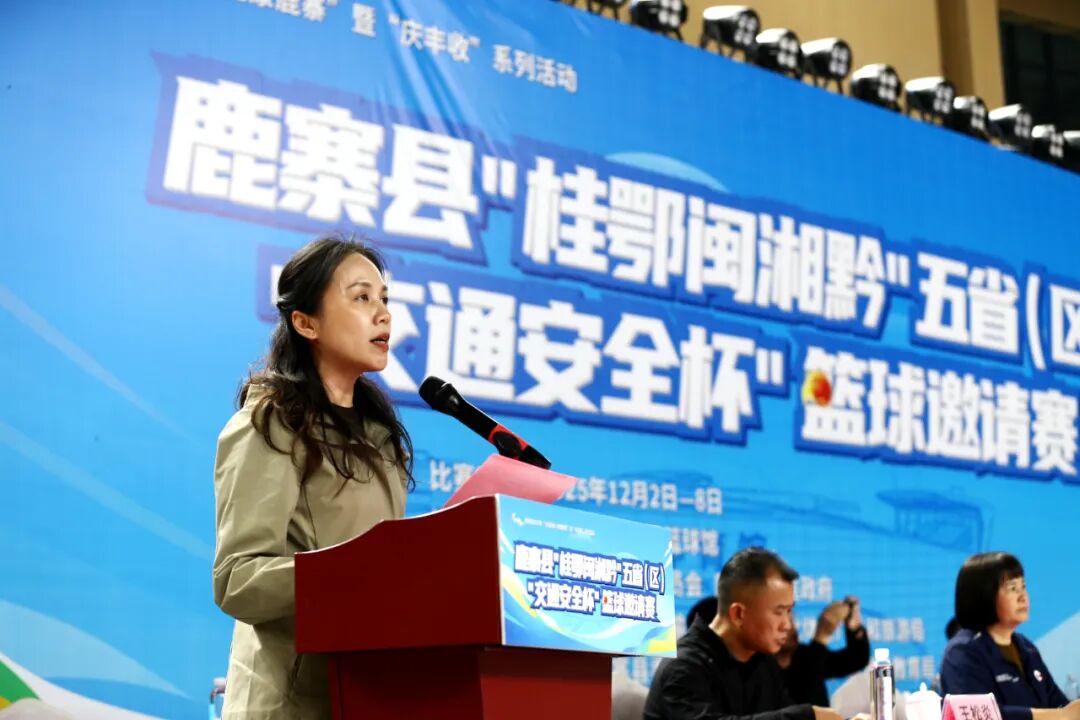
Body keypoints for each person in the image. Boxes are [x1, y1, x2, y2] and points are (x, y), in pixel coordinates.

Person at [212, 236, 414, 719]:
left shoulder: (379, 435)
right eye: (361, 297)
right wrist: (348, 574)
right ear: (306, 323)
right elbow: (237, 579)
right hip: (288, 704)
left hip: (364, 694)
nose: (383, 314)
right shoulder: (271, 424)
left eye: (384, 299)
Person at [644, 547, 844, 720]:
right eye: (779, 612)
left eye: (789, 611)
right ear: (738, 614)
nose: (786, 625)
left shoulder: (763, 662)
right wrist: (805, 716)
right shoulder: (684, 666)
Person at [941, 552, 1080, 720]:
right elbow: (976, 714)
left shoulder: (1026, 647)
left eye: (1023, 587)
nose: (1023, 597)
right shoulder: (963, 651)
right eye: (1013, 589)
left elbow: (1059, 706)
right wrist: (1055, 715)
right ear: (984, 594)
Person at [777, 596, 870, 706]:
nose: (788, 626)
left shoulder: (802, 654)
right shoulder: (763, 668)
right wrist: (822, 637)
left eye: (791, 618)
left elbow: (856, 659)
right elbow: (804, 700)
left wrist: (855, 628)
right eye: (779, 616)